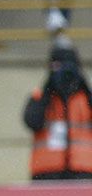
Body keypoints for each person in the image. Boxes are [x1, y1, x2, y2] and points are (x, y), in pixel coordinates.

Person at [23, 36, 92, 181]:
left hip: (83, 172)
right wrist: (48, 87)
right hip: (47, 172)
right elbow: (33, 122)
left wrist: (85, 87)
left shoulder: (85, 98)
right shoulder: (41, 96)